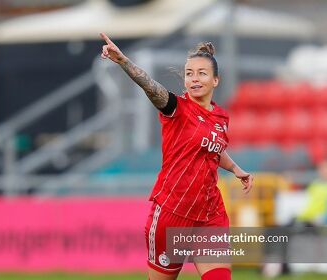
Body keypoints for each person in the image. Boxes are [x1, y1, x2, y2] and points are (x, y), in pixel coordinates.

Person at [100, 32, 253, 280]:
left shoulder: (221, 117)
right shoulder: (176, 109)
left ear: (216, 80)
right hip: (173, 213)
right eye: (189, 73)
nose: (194, 78)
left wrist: (235, 168)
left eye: (202, 73)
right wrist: (124, 62)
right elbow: (150, 86)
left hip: (209, 213)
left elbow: (213, 149)